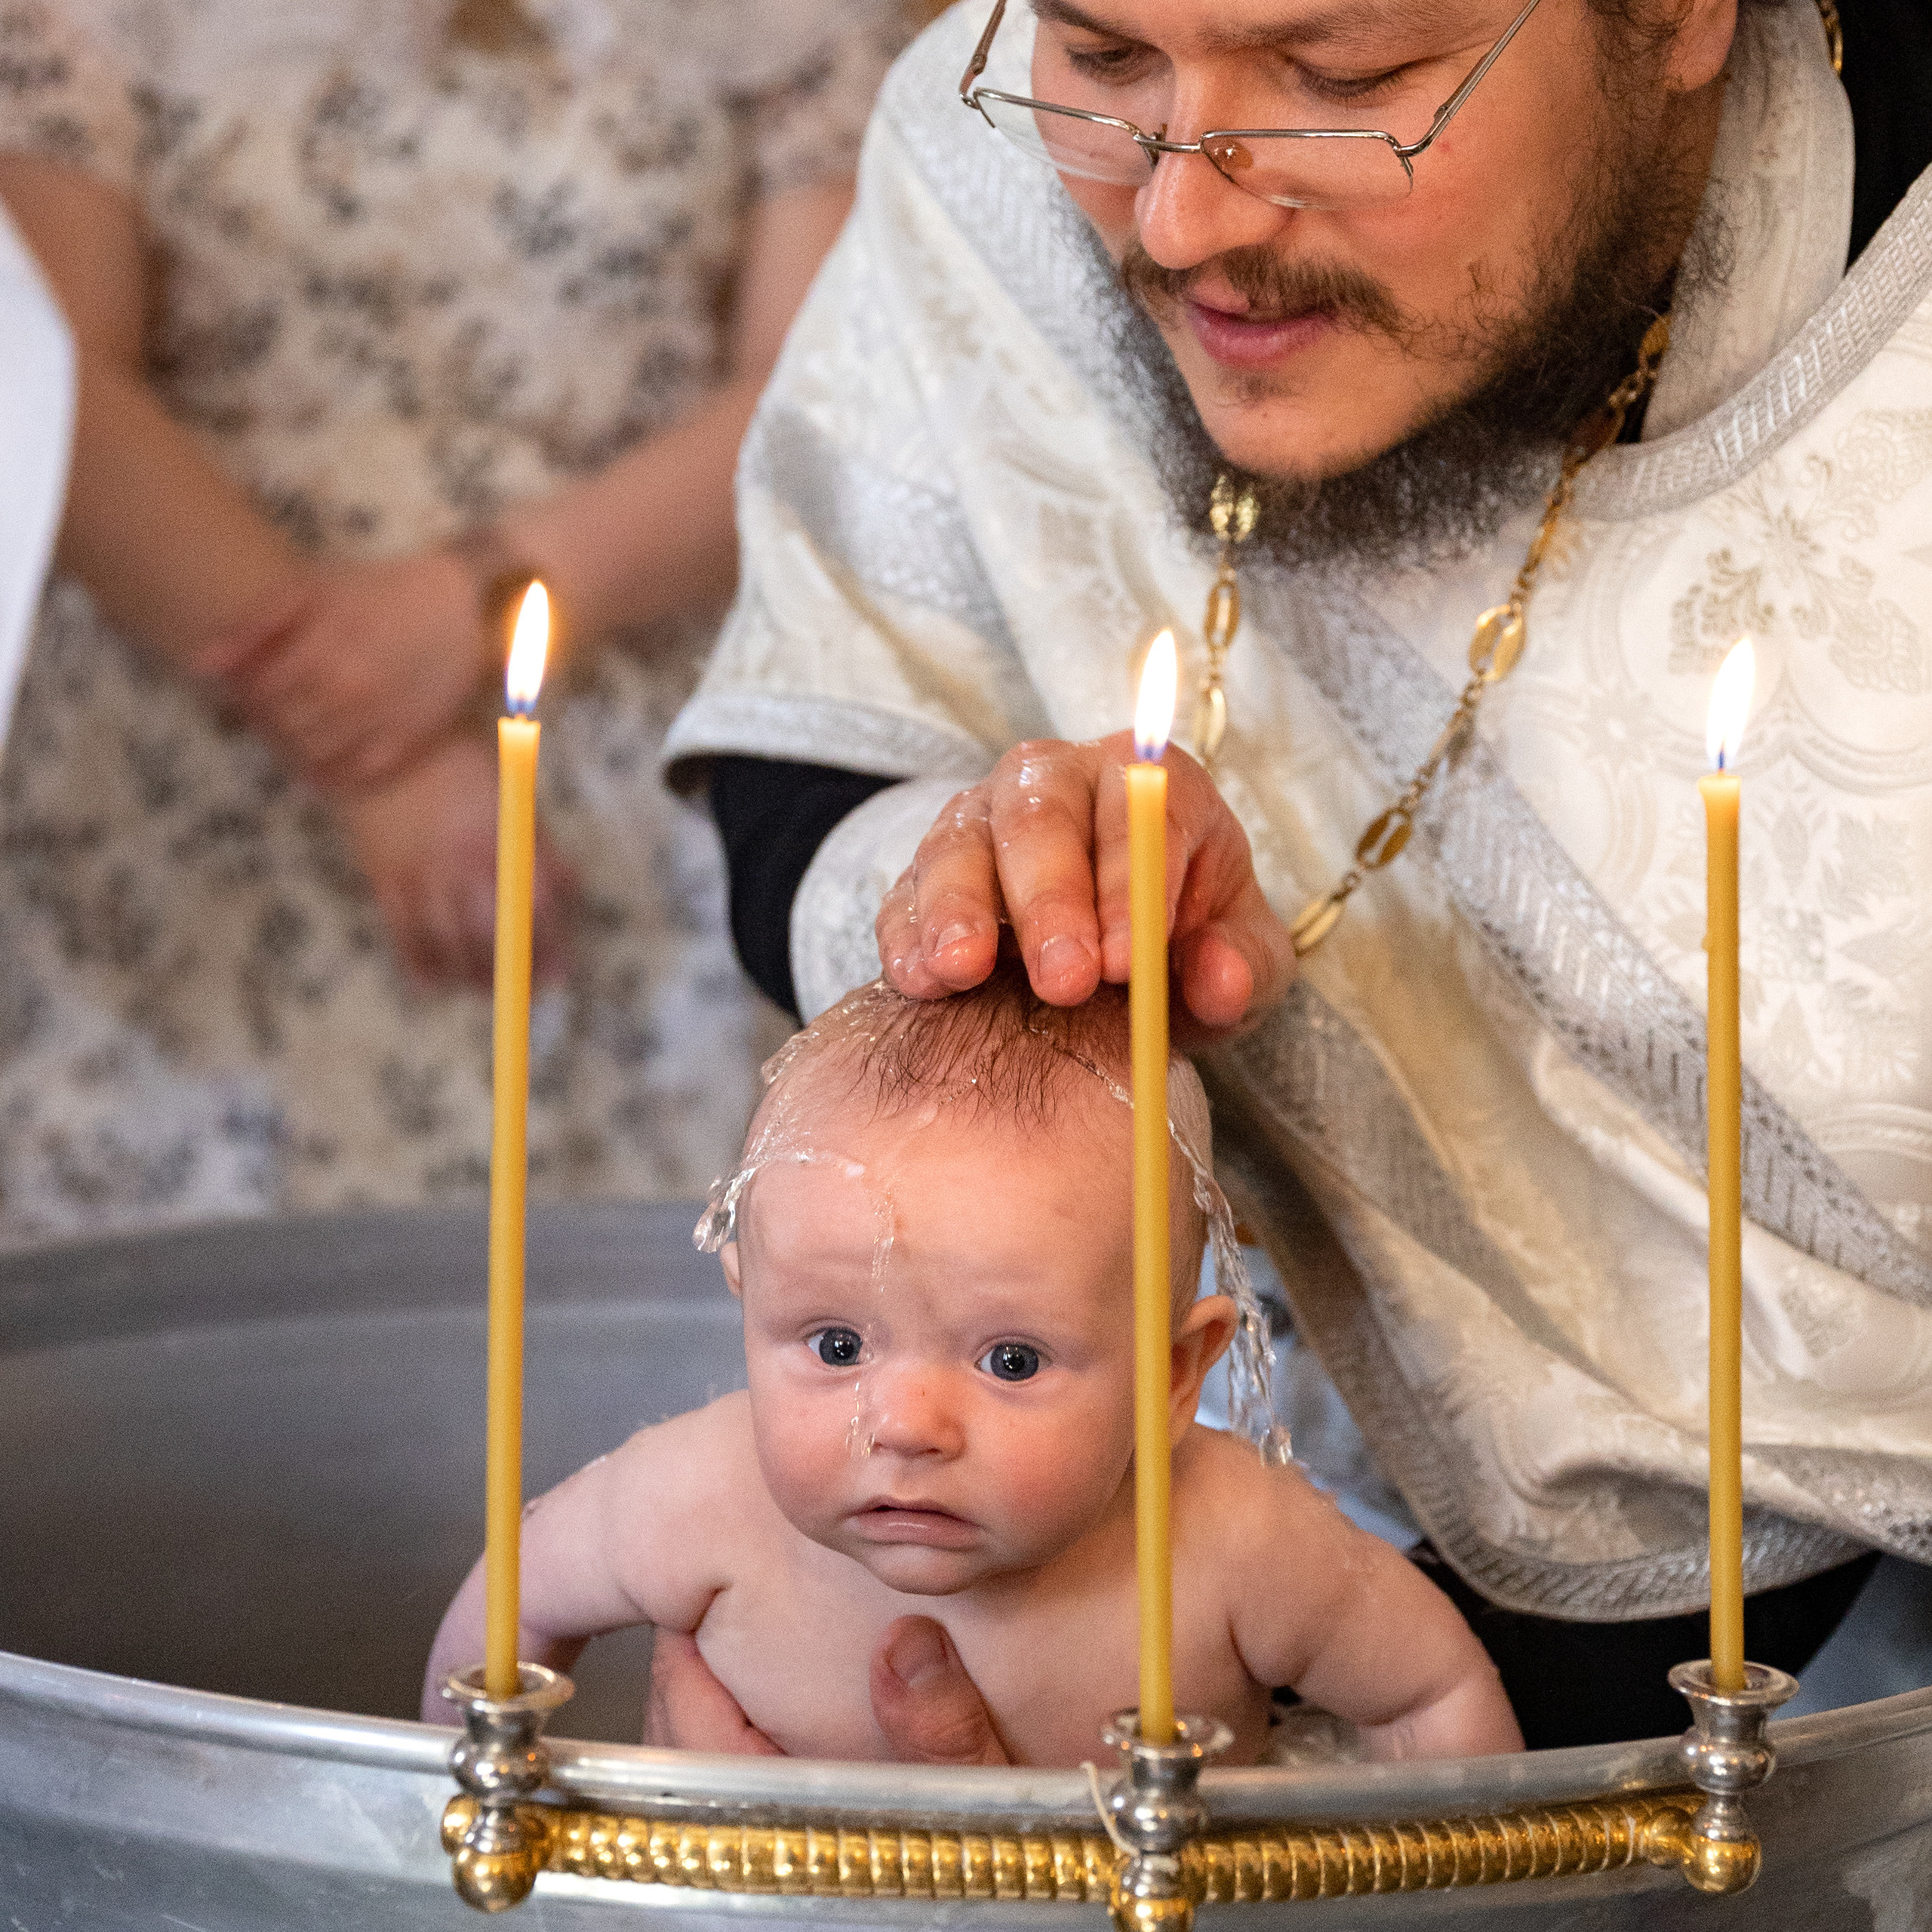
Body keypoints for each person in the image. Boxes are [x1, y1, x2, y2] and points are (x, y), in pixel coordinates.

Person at [659, 0, 1932, 1750]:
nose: (1181, 221)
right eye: (1104, 65)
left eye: (1344, 88)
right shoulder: (996, 163)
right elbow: (829, 741)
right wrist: (998, 897)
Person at [0, 0, 907, 1234]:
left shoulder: (805, 25)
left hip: (632, 751)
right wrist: (361, 742)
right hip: (192, 733)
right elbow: (49, 377)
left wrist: (485, 598)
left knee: (612, 1338)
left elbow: (826, 393)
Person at [422, 962, 1522, 1764]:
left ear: (1177, 1375)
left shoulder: (1235, 1543)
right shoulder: (694, 1500)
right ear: (748, 1309)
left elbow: (1430, 1695)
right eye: (838, 1345)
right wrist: (448, 1825)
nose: (904, 1424)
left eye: (1009, 1359)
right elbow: (506, 1611)